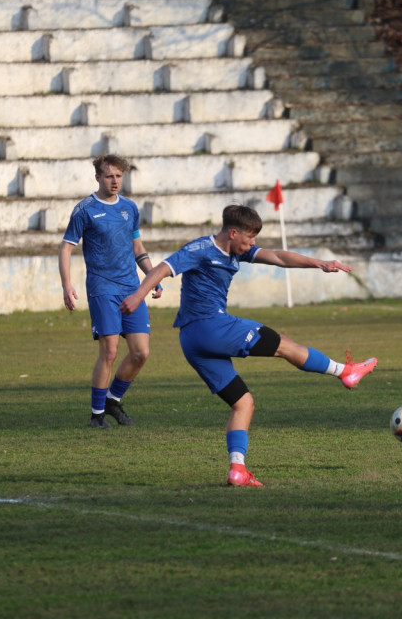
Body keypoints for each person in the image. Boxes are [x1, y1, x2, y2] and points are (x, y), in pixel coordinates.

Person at [120, 205, 377, 487]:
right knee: (283, 345)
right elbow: (163, 268)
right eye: (250, 237)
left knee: (244, 403)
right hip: (211, 327)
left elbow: (279, 256)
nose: (253, 243)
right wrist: (137, 296)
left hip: (193, 342)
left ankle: (237, 470)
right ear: (233, 233)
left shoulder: (237, 250)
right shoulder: (201, 249)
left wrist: (320, 263)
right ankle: (344, 372)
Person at [59, 154, 162, 429]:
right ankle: (96, 415)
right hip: (102, 288)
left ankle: (112, 400)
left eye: (118, 176)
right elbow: (66, 247)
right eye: (109, 176)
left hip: (132, 288)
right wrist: (67, 285)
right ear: (98, 178)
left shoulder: (129, 208)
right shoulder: (85, 209)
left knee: (141, 352)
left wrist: (152, 278)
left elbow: (137, 248)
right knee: (110, 351)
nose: (114, 181)